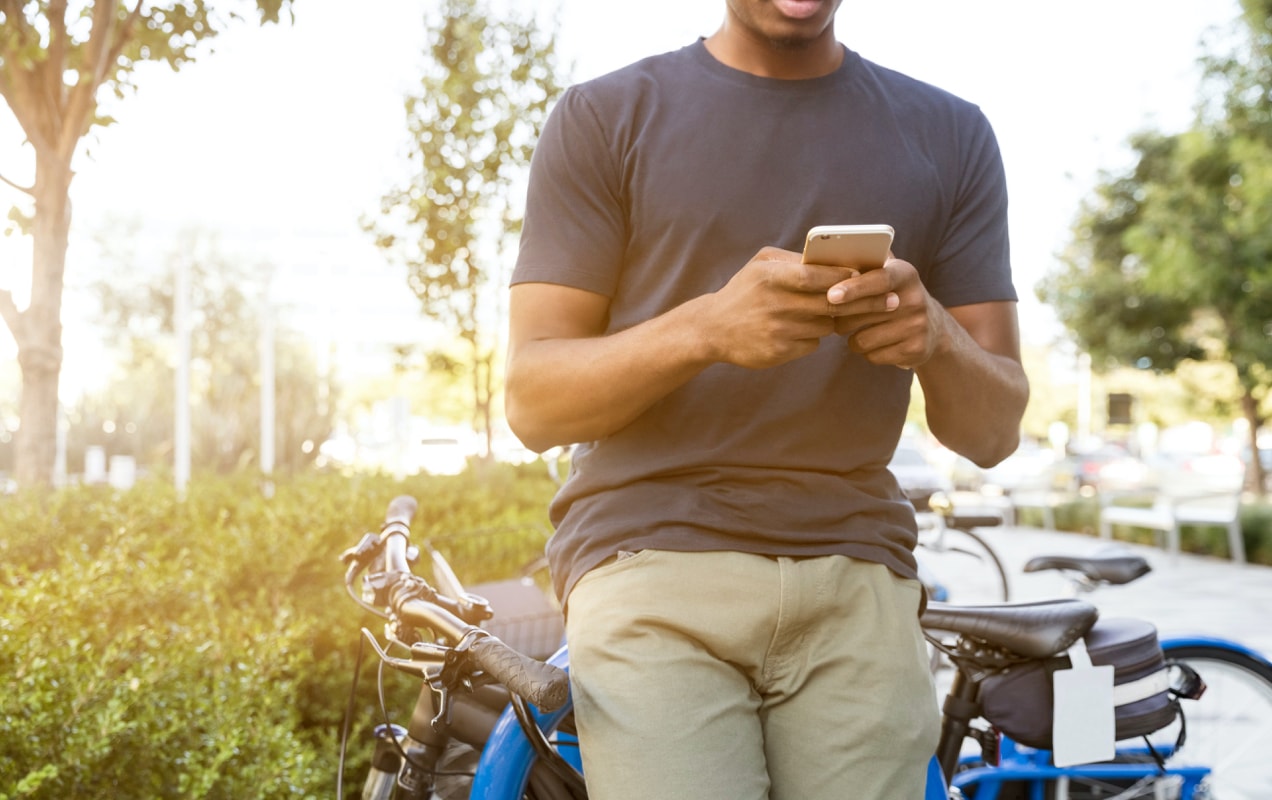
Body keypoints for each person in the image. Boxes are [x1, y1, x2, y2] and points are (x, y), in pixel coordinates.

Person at [504, 0, 1029, 797]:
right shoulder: (604, 117)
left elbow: (994, 433)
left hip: (858, 575)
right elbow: (533, 402)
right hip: (652, 560)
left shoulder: (950, 134)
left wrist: (938, 338)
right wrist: (706, 330)